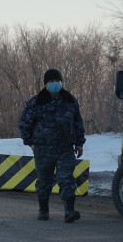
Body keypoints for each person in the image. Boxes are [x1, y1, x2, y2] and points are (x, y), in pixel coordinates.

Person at [18, 68, 85, 223]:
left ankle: (69, 211)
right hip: (43, 149)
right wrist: (30, 143)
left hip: (65, 148)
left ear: (61, 82)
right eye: (51, 82)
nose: (55, 84)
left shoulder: (70, 101)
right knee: (44, 181)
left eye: (57, 81)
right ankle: (43, 209)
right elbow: (24, 124)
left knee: (66, 179)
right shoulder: (36, 102)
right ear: (45, 84)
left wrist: (79, 143)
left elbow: (77, 123)